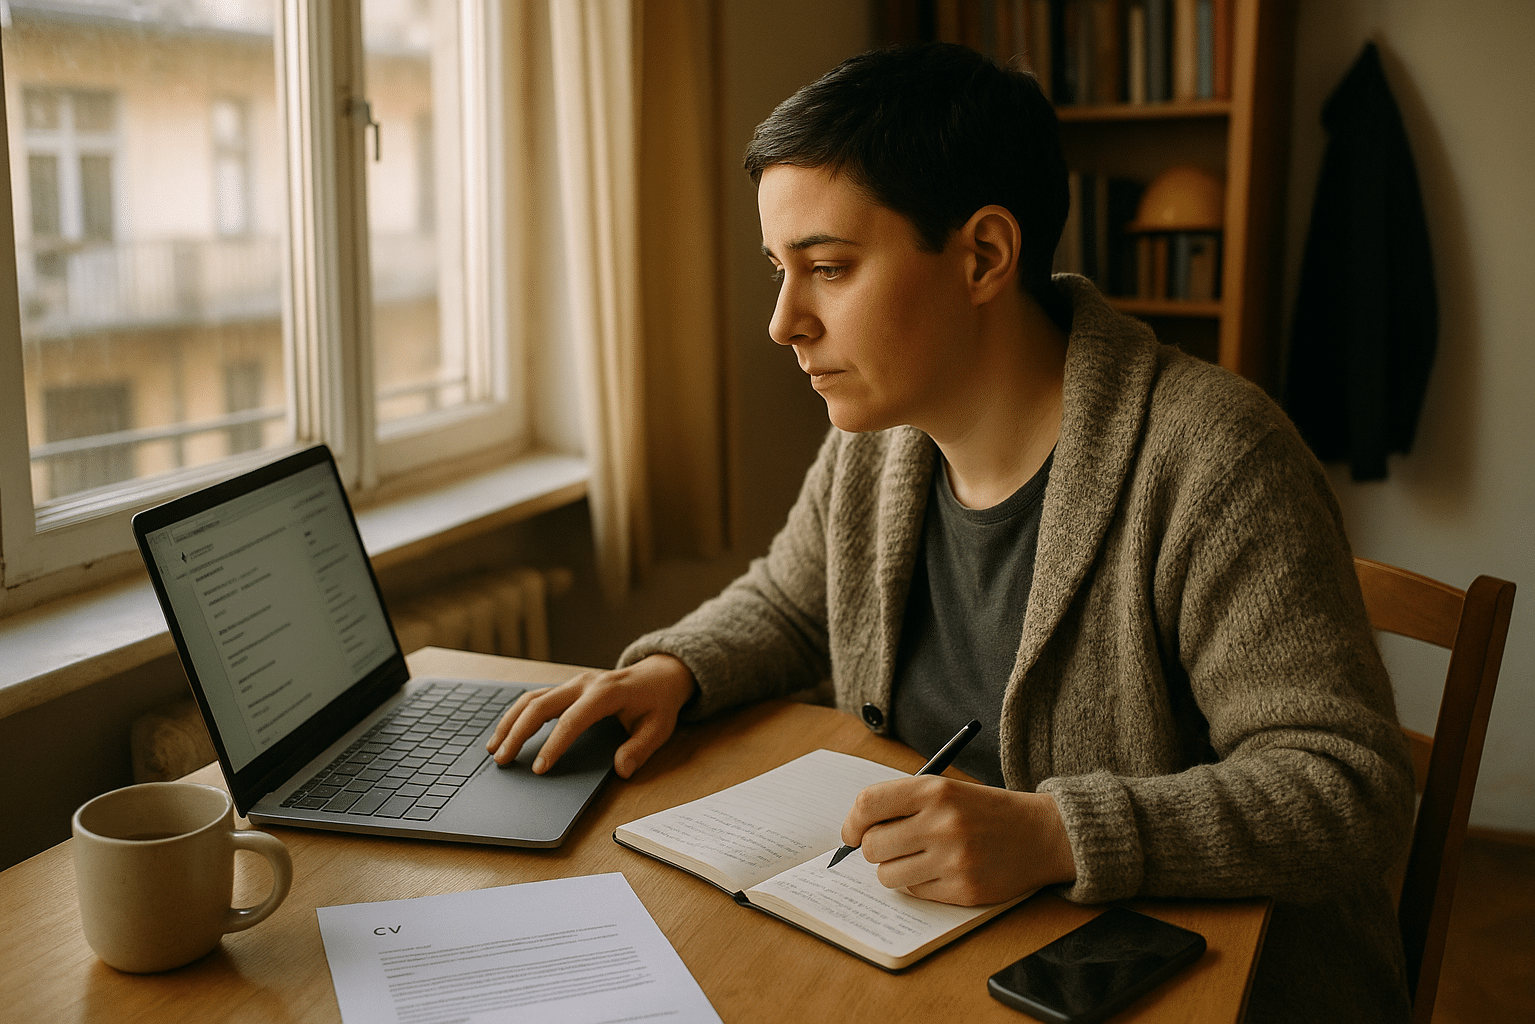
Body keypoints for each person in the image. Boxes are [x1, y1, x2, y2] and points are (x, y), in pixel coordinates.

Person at [487, 42, 1414, 1023]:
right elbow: (794, 601)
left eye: (829, 268)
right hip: (945, 949)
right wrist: (675, 670)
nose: (783, 322)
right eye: (779, 270)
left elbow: (1345, 788)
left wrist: (1059, 832)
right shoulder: (881, 435)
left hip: (1196, 986)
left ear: (982, 255)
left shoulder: (1211, 460)